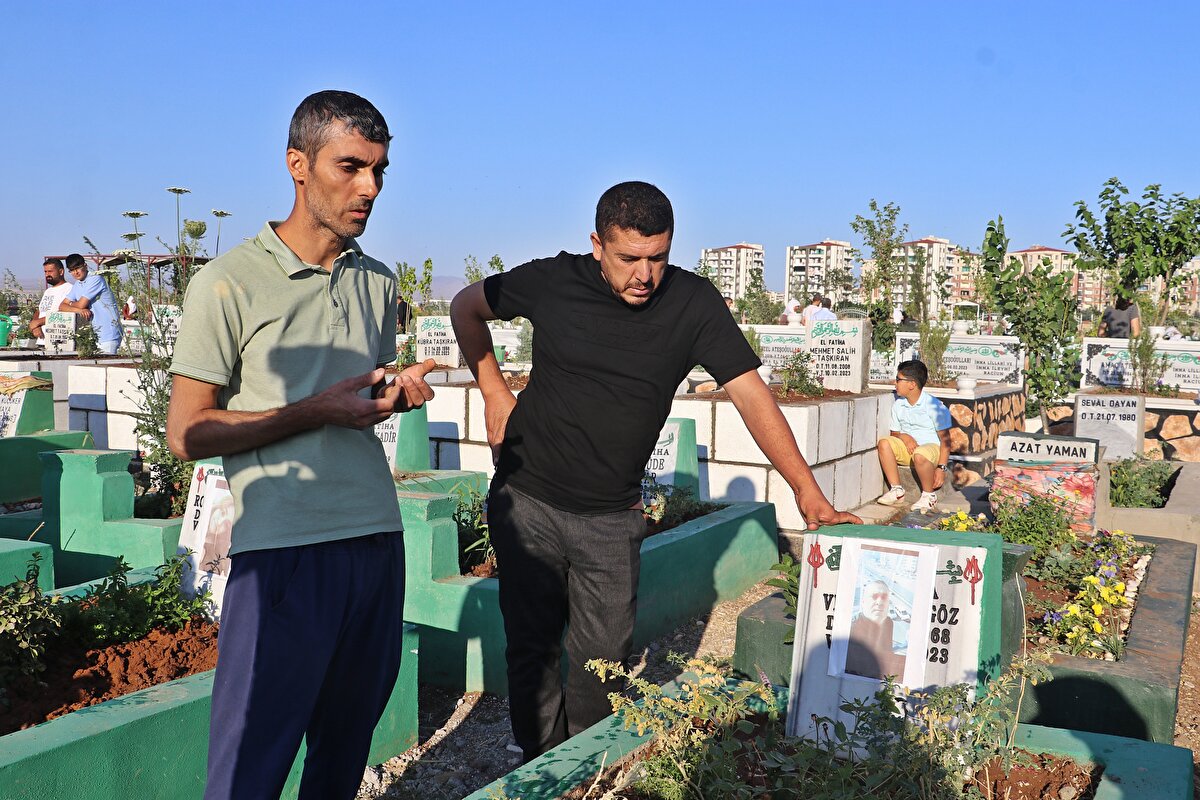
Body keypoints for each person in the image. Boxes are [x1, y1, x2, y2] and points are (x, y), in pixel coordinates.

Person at [449, 180, 861, 761]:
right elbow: (465, 305)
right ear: (598, 245)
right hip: (528, 500)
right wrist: (493, 392)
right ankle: (539, 768)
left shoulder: (692, 304)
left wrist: (807, 493)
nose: (644, 274)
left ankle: (587, 766)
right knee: (532, 651)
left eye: (658, 258)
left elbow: (752, 396)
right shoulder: (553, 281)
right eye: (629, 259)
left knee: (604, 663)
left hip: (611, 517)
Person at [166, 90, 436, 800]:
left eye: (379, 170)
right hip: (282, 553)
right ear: (297, 164)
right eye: (350, 167)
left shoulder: (378, 283)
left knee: (342, 757)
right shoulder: (227, 283)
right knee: (250, 767)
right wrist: (313, 410)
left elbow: (348, 406)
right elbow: (186, 432)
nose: (369, 188)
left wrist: (388, 395)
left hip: (377, 542)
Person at [875, 359, 952, 513]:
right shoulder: (899, 405)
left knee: (920, 454)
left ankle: (929, 496)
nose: (894, 383)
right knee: (884, 443)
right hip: (909, 450)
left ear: (912, 384)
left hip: (930, 451)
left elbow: (946, 440)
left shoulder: (934, 406)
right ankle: (896, 490)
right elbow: (894, 433)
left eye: (898, 379)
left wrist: (941, 468)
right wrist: (904, 436)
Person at [58, 254, 122, 354]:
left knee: (106, 366)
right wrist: (79, 310)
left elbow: (81, 304)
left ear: (85, 265)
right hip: (94, 335)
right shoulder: (77, 284)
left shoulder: (95, 279)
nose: (75, 272)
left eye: (77, 268)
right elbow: (61, 306)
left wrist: (72, 304)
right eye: (72, 270)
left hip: (107, 333)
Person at [844, 579, 903, 679]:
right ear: (863, 602)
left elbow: (887, 655)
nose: (879, 602)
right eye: (874, 596)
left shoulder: (888, 623)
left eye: (884, 597)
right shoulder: (851, 628)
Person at [29, 258, 72, 343]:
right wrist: (35, 326)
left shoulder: (69, 289)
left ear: (61, 272)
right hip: (41, 341)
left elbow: (66, 314)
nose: (47, 274)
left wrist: (38, 322)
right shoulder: (48, 291)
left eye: (50, 271)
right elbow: (39, 311)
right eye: (45, 272)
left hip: (57, 342)